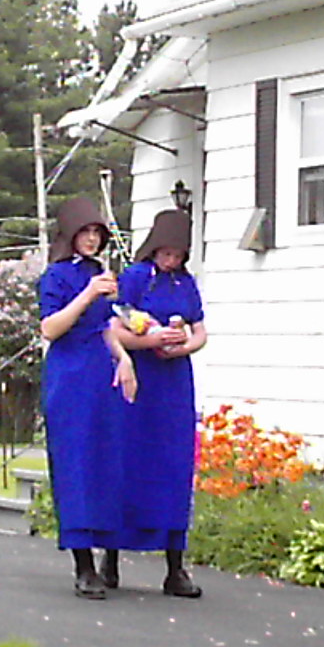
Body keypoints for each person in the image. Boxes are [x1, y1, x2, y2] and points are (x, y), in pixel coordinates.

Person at [38, 195, 137, 600]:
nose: (93, 240)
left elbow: (107, 327)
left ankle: (109, 557)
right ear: (71, 235)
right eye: (86, 232)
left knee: (108, 463)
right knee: (76, 464)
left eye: (98, 233)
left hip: (102, 373)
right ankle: (82, 564)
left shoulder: (103, 274)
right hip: (69, 376)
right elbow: (50, 328)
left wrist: (125, 358)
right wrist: (87, 295)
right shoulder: (57, 277)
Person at [106, 208, 207, 598]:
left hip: (174, 383)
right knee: (128, 464)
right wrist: (151, 340)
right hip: (139, 380)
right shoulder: (135, 278)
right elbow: (116, 327)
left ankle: (175, 567)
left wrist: (184, 345)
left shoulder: (186, 283)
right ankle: (110, 559)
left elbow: (200, 331)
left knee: (174, 467)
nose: (171, 260)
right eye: (166, 253)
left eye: (178, 254)